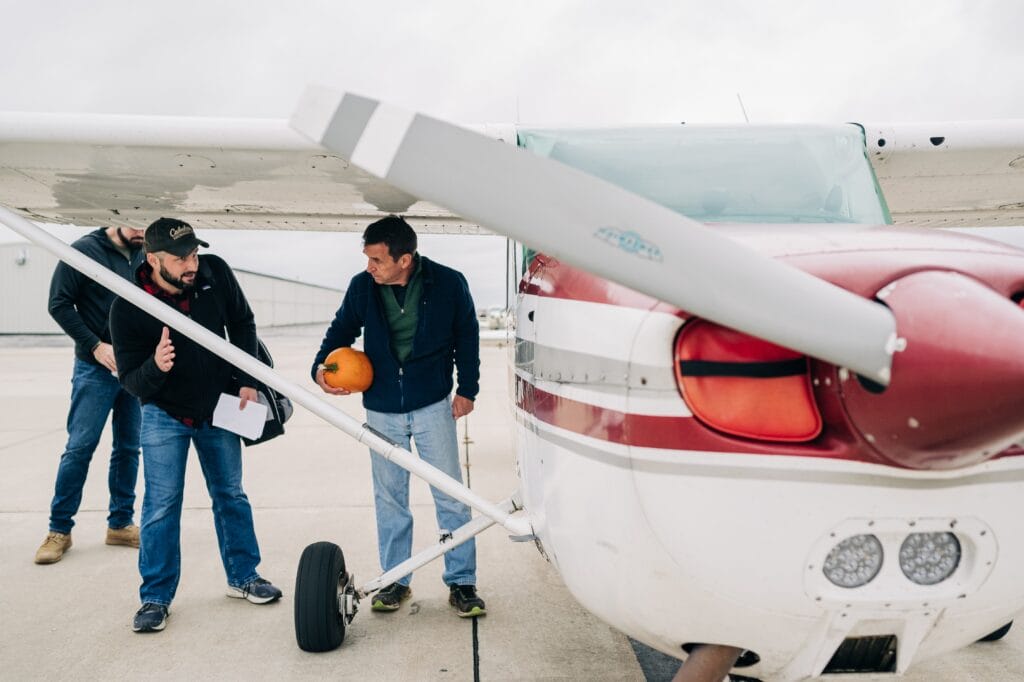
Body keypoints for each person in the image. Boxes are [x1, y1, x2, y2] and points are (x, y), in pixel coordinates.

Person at [109, 217, 281, 633]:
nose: (192, 264)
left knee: (231, 495)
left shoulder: (214, 272)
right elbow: (132, 382)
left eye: (193, 253)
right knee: (161, 506)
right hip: (165, 414)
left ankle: (243, 577)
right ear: (152, 259)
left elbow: (242, 323)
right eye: (180, 257)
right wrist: (157, 366)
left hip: (220, 405)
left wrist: (247, 381)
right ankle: (155, 597)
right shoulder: (128, 306)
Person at [312, 215, 485, 618]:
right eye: (367, 259)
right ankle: (395, 580)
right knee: (390, 499)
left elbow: (468, 336)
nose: (369, 268)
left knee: (451, 496)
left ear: (404, 259)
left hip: (432, 405)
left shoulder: (449, 283)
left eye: (377, 260)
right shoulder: (362, 287)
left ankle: (461, 582)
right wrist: (319, 371)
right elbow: (339, 334)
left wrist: (468, 390)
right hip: (382, 408)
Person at [35, 225, 147, 564]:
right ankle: (59, 530)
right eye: (137, 223)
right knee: (80, 447)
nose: (143, 229)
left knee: (128, 448)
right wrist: (95, 346)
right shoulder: (83, 250)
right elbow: (58, 303)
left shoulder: (144, 252)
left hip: (134, 370)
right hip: (94, 368)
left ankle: (120, 524)